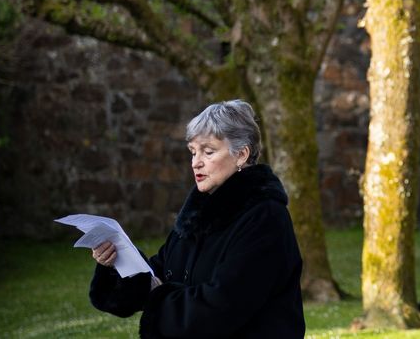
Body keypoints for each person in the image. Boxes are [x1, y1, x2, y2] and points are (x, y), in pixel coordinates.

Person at [87, 100, 306, 338]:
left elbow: (225, 304)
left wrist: (160, 296)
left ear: (241, 154)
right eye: (193, 151)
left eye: (208, 151)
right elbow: (159, 273)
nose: (196, 162)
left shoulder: (265, 218)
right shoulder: (196, 215)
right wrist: (116, 261)